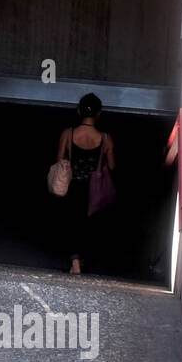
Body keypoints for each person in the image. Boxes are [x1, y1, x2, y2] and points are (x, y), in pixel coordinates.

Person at [55, 93, 115, 275]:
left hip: (73, 185)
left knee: (71, 223)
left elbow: (60, 159)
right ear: (99, 114)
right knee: (90, 226)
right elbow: (112, 166)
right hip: (94, 190)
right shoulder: (105, 138)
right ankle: (81, 260)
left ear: (79, 111)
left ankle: (74, 262)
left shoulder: (68, 133)